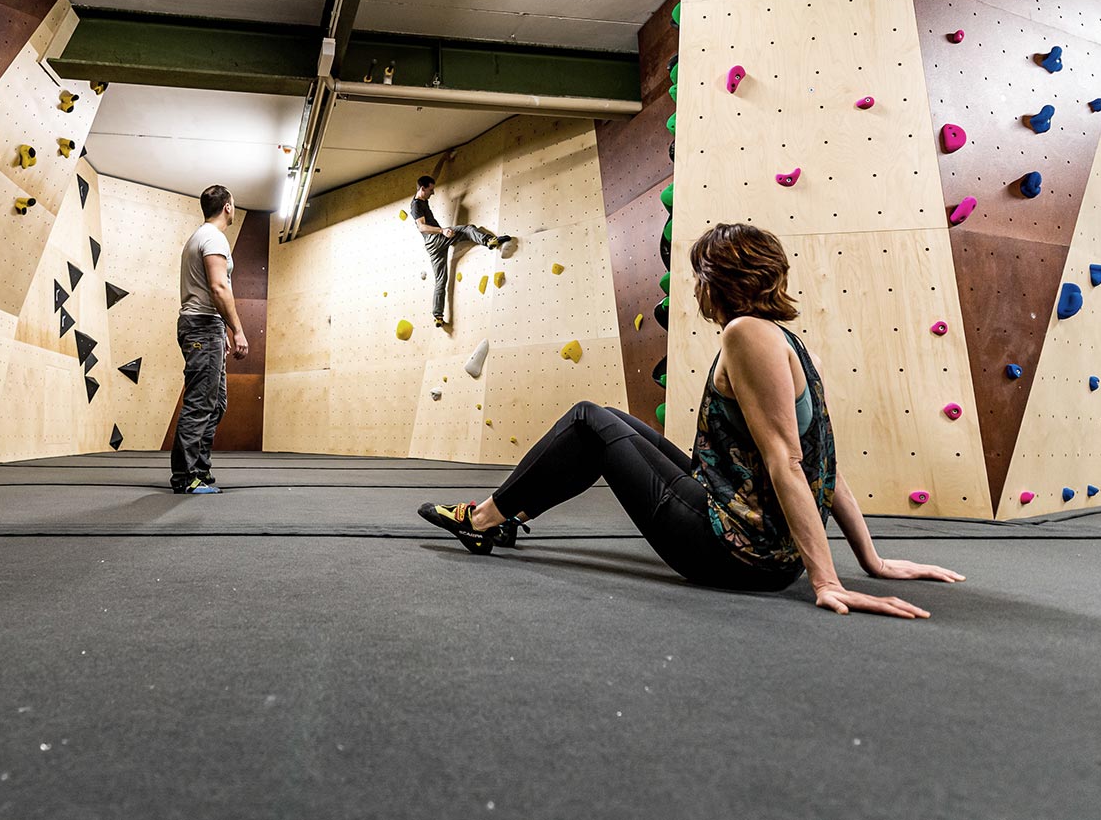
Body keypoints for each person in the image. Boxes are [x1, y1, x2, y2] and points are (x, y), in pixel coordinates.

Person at [419, 222, 964, 618]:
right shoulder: (793, 345)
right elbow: (827, 467)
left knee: (587, 420)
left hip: (733, 554)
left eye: (698, 278)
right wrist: (870, 560)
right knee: (609, 418)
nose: (695, 290)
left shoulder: (744, 333)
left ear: (715, 281)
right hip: (767, 551)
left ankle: (482, 519)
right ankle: (502, 513)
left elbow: (790, 461)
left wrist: (828, 580)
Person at [170, 184, 249, 494]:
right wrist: (237, 329)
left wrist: (221, 329)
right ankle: (185, 477)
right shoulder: (213, 238)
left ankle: (200, 470)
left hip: (207, 326)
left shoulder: (200, 236)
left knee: (215, 405)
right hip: (202, 326)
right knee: (200, 403)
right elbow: (218, 287)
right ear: (227, 207)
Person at [410, 174, 512, 328]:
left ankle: (438, 315)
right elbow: (421, 227)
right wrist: (442, 231)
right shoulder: (416, 205)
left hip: (432, 248)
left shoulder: (421, 194)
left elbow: (434, 173)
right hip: (435, 239)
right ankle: (489, 241)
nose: (433, 192)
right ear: (423, 188)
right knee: (467, 229)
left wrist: (444, 159)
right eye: (431, 190)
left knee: (440, 281)